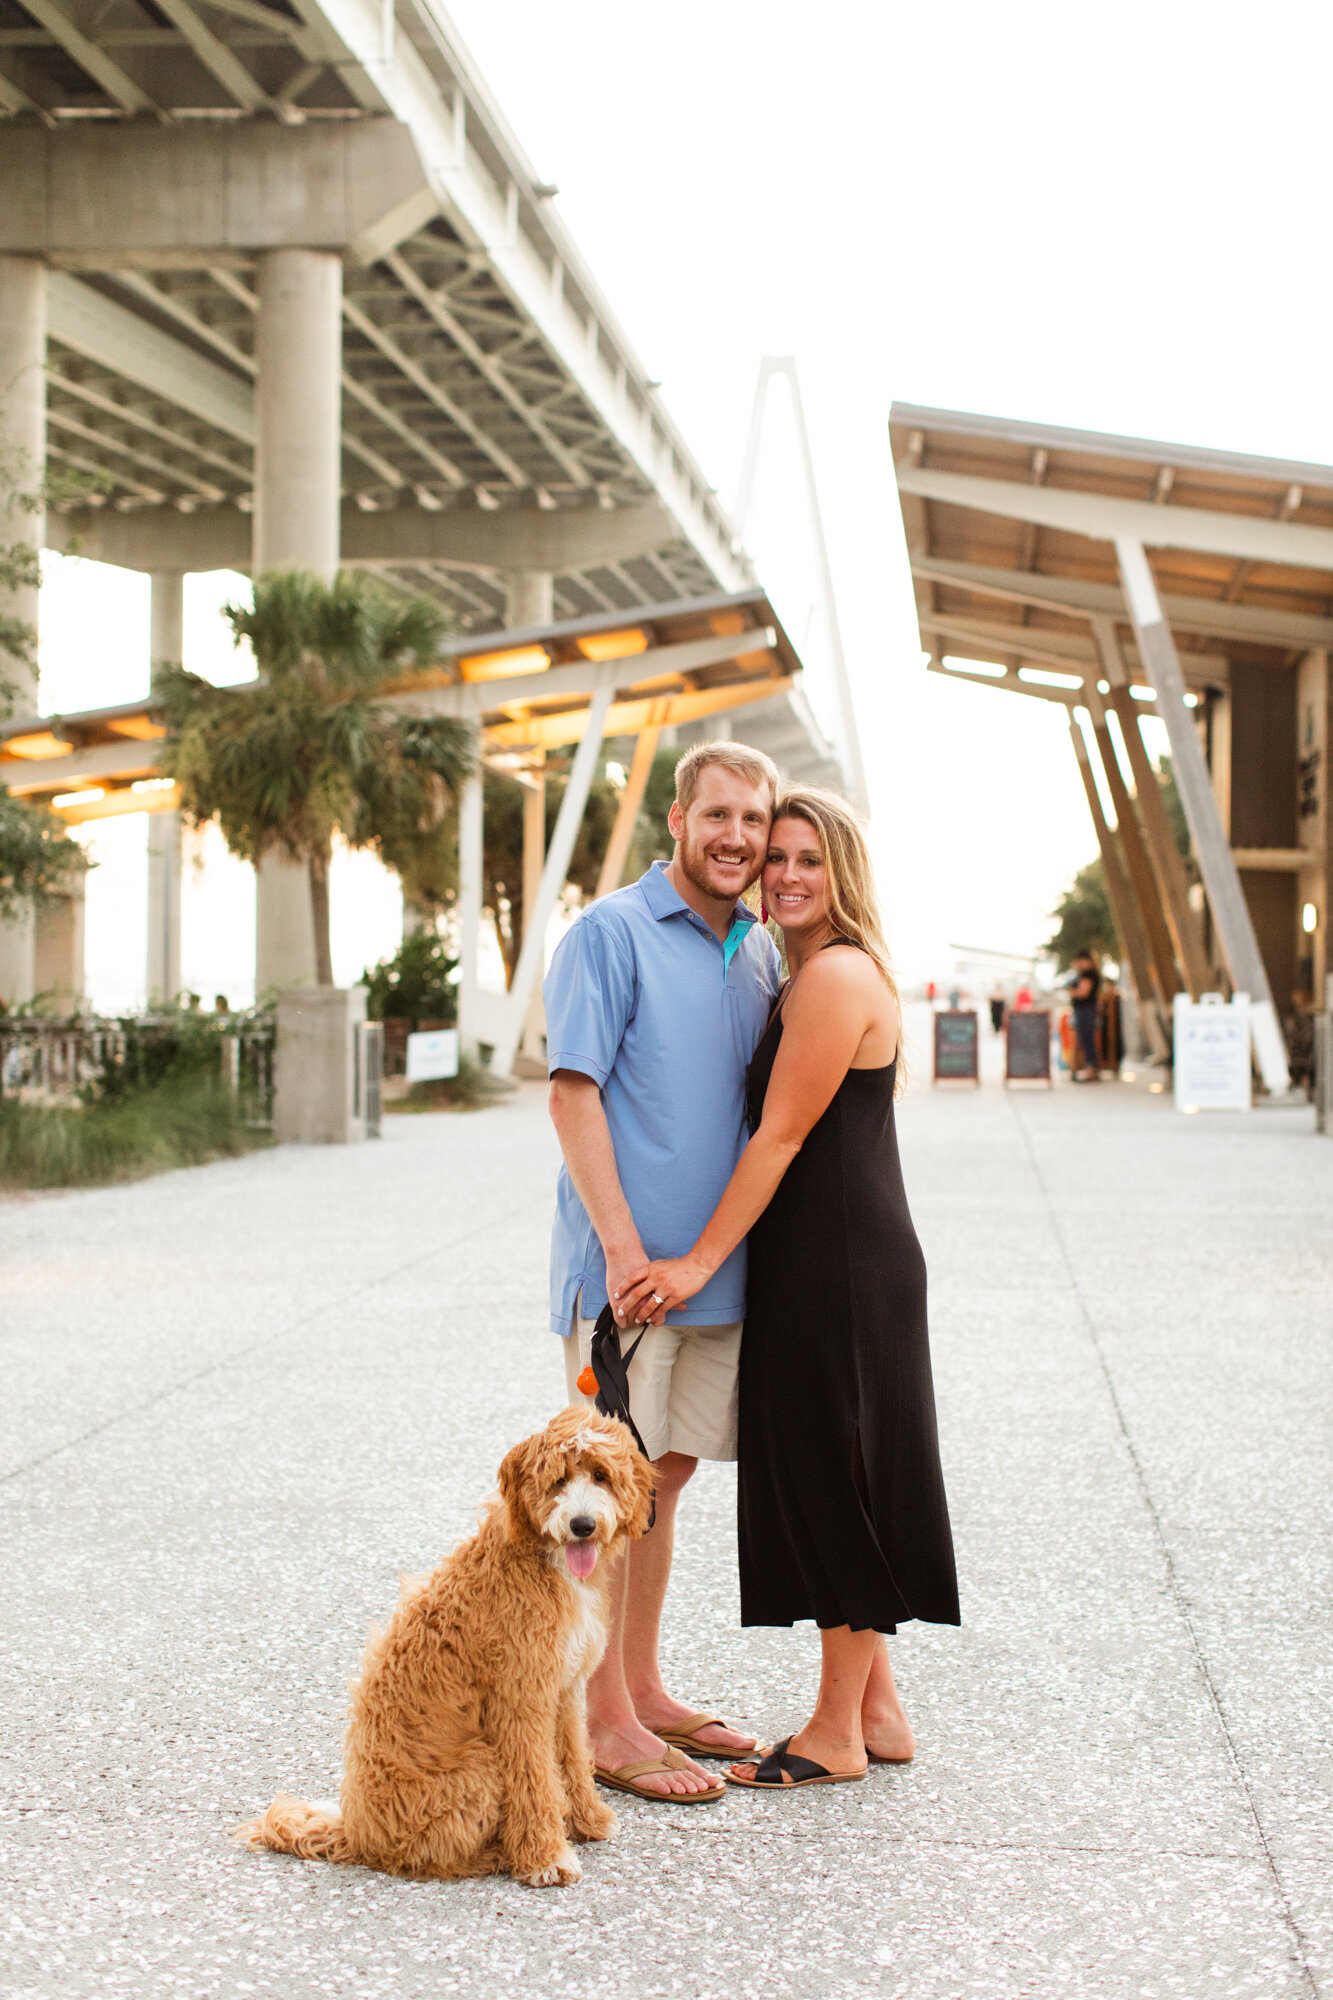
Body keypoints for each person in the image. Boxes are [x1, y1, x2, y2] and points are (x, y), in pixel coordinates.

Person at [619, 788, 959, 1791]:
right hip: (836, 1259)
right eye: (776, 858)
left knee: (833, 1483)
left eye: (808, 858)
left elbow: (778, 1137)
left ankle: (831, 1734)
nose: (786, 875)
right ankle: (879, 1708)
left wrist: (692, 1262)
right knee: (842, 1466)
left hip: (838, 1266)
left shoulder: (832, 976)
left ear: (842, 870)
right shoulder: (805, 969)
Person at [545, 740, 783, 1802]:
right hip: (629, 1285)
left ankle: (637, 1685)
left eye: (754, 820)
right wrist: (626, 1250)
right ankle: (598, 1720)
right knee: (602, 1495)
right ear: (678, 823)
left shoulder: (760, 949)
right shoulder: (610, 931)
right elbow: (572, 1094)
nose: (736, 836)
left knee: (666, 1480)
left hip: (713, 1275)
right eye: (718, 814)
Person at [1067, 950, 1101, 1081]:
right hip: (1084, 1010)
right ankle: (1090, 1069)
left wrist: (1070, 990)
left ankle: (1091, 1069)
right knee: (1086, 1039)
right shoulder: (1085, 974)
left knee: (1087, 1039)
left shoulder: (1089, 974)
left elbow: (1083, 992)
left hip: (1085, 1010)